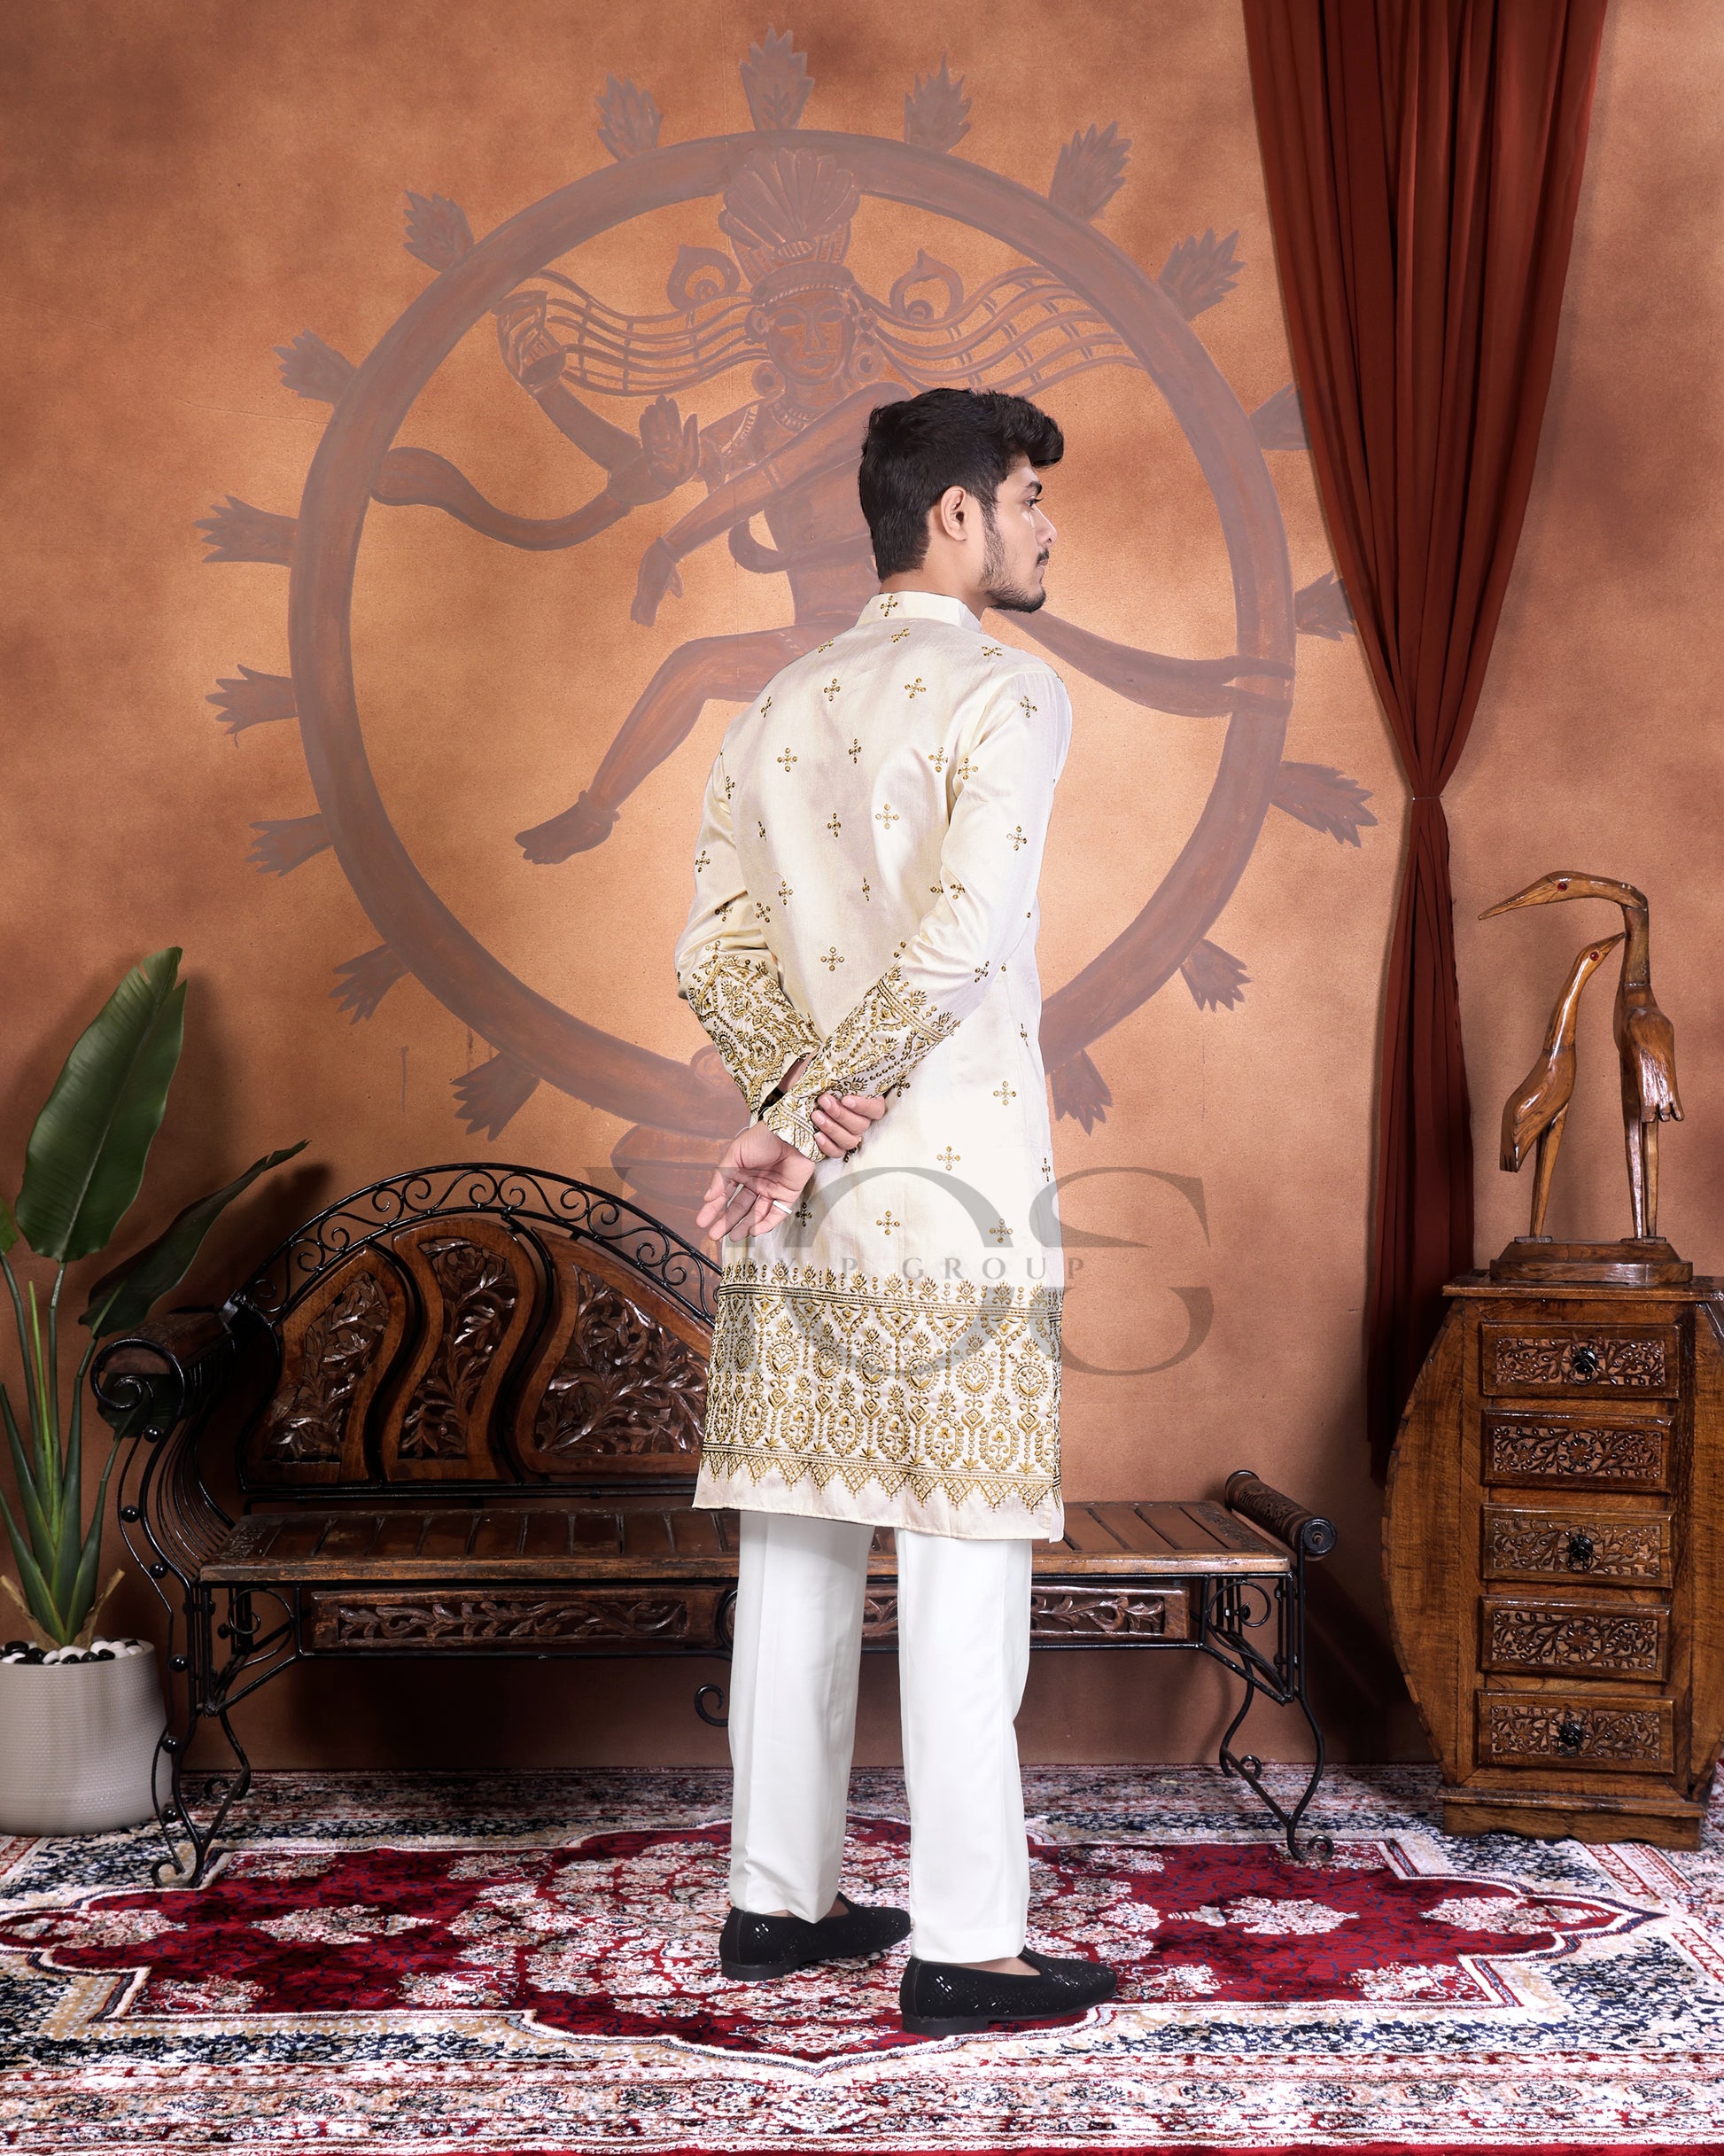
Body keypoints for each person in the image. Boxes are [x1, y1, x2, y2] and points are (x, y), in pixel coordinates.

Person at [672, 385, 1115, 2036]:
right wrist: (818, 1117)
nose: (1045, 527)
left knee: (796, 1533)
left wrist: (789, 1113)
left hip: (805, 1200)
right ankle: (966, 1941)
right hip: (951, 1180)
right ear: (954, 515)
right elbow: (959, 940)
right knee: (959, 1552)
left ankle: (775, 1901)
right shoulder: (1008, 689)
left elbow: (708, 950)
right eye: (1027, 497)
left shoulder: (777, 698)